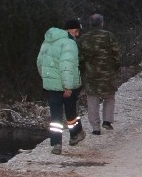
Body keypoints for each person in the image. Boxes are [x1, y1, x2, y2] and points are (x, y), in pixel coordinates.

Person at [36, 18, 85, 154]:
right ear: (75, 30)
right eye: (78, 32)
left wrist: (46, 78)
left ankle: (56, 144)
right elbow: (67, 66)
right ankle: (75, 135)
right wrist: (68, 86)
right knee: (71, 111)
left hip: (51, 85)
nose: (77, 35)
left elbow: (40, 62)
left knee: (55, 117)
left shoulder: (47, 41)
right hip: (66, 84)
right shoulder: (69, 43)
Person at [78, 13, 122, 135]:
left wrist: (83, 69)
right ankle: (107, 121)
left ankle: (96, 128)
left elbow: (80, 58)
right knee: (109, 97)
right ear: (102, 23)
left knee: (92, 99)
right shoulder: (109, 36)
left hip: (91, 74)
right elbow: (116, 54)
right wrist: (116, 67)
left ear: (90, 24)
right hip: (108, 72)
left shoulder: (84, 39)